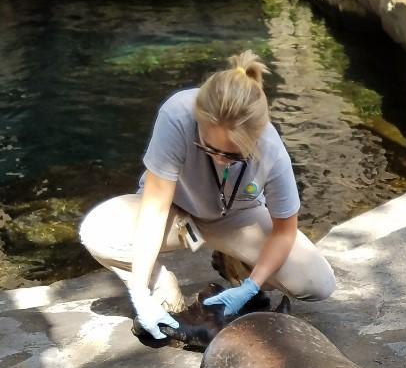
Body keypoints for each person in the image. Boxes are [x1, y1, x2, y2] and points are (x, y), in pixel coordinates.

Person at [79, 50, 336, 341]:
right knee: (96, 232)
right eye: (209, 150)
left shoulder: (271, 150)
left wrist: (252, 286)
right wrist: (139, 291)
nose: (220, 160)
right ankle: (159, 286)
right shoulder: (176, 115)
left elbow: (284, 232)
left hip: (237, 218)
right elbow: (154, 209)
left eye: (233, 155)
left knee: (317, 283)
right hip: (176, 212)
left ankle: (235, 264)